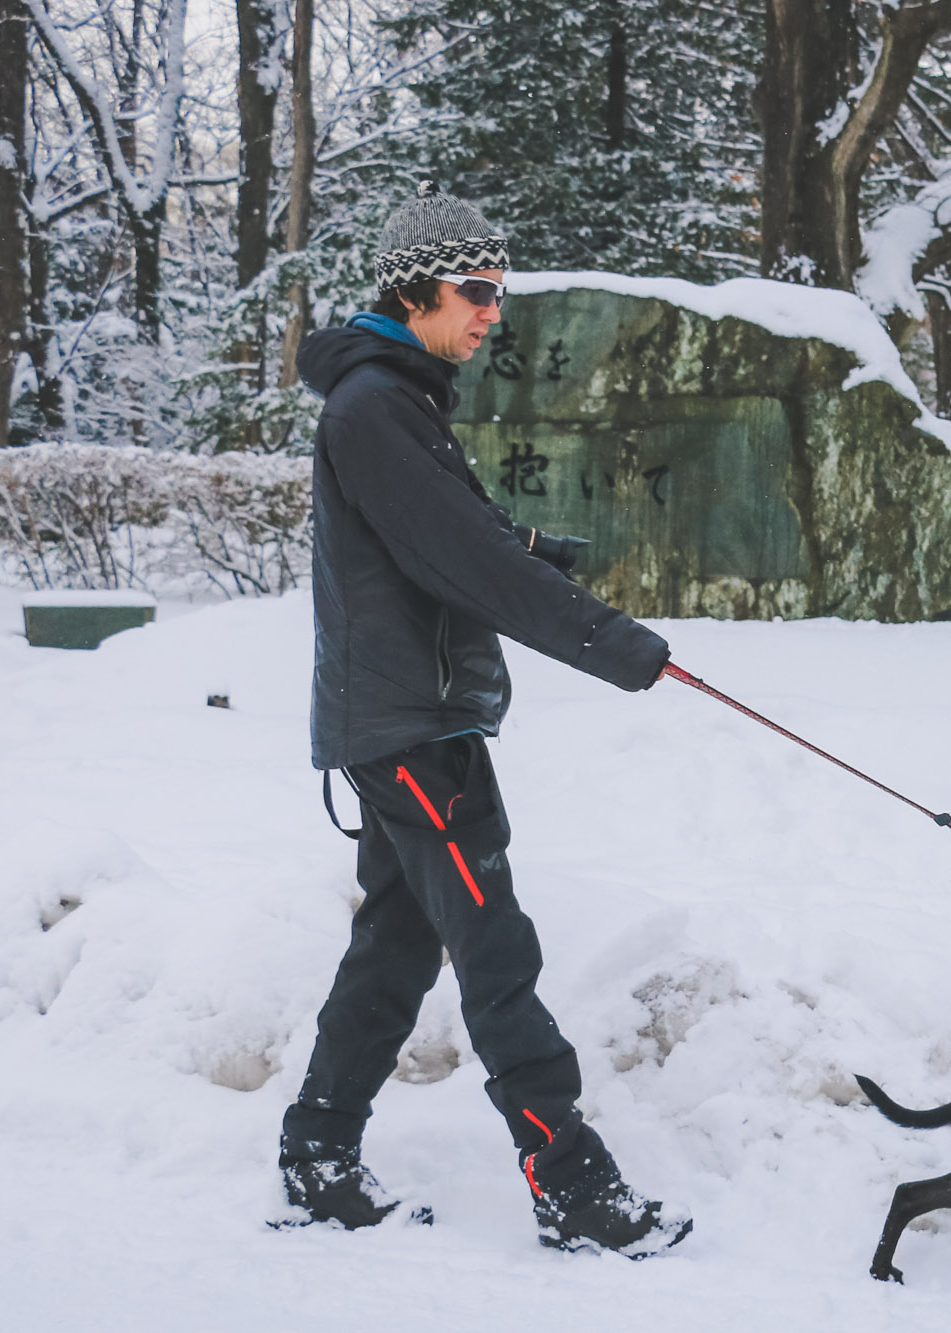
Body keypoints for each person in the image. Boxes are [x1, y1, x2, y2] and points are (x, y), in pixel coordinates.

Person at [279, 181, 689, 1257]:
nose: (490, 311)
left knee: (396, 947)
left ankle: (317, 1153)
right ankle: (573, 1187)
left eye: (498, 291)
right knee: (493, 949)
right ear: (414, 288)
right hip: (409, 731)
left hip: (406, 719)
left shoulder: (395, 399)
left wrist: (524, 548)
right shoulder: (373, 406)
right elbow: (449, 554)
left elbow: (450, 531)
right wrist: (608, 639)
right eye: (474, 289)